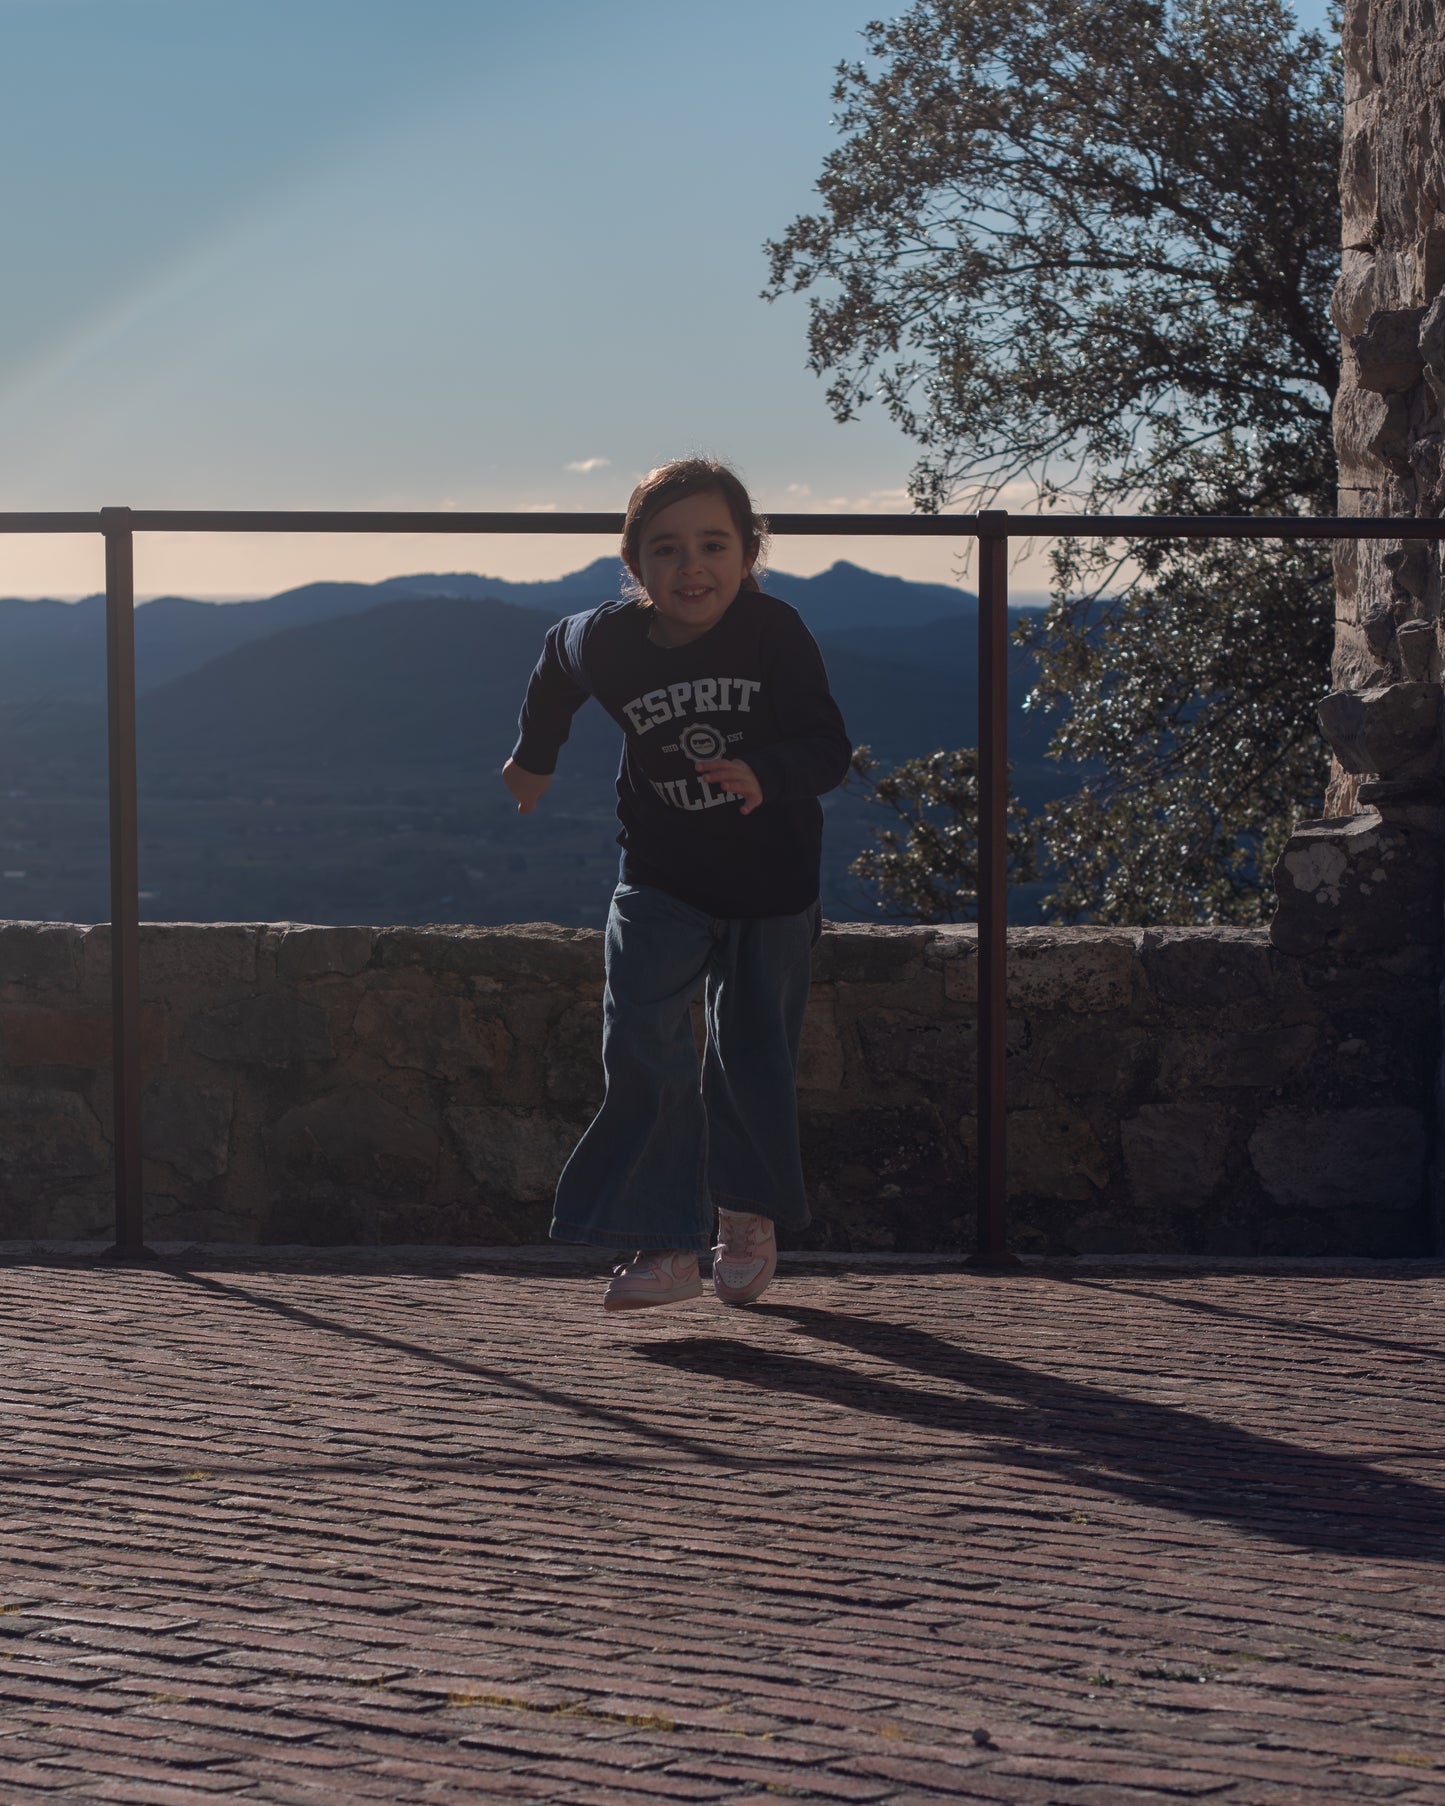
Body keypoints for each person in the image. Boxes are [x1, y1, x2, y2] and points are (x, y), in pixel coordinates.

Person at [502, 457, 852, 1312]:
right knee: (642, 1044)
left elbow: (828, 747)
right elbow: (555, 662)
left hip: (770, 882)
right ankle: (663, 1242)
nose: (690, 566)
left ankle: (745, 1216)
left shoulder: (775, 632)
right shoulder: (609, 637)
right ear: (635, 564)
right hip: (659, 873)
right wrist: (533, 758)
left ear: (746, 554)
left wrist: (766, 772)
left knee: (750, 1056)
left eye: (711, 545)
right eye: (664, 549)